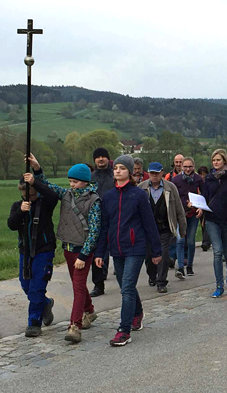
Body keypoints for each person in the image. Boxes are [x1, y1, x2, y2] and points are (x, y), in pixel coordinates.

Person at [25, 155, 101, 343]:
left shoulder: (94, 201)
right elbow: (47, 186)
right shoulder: (66, 195)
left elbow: (94, 230)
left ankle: (74, 326)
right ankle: (89, 311)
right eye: (70, 181)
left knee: (77, 288)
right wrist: (37, 170)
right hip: (67, 248)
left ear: (85, 182)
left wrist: (84, 255)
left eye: (75, 182)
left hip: (82, 251)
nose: (72, 184)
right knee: (79, 284)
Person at [95, 155, 162, 347]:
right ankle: (137, 313)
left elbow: (149, 224)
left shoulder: (139, 195)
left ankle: (123, 331)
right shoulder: (108, 196)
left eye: (122, 168)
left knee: (126, 289)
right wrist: (100, 253)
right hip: (117, 249)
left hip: (136, 247)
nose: (118, 171)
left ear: (130, 172)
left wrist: (156, 251)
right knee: (127, 287)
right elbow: (104, 227)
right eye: (115, 168)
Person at [8, 167, 58, 338]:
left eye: (32, 193)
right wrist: (21, 212)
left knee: (37, 287)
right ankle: (45, 304)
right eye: (26, 194)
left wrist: (35, 181)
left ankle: (34, 322)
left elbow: (53, 195)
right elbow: (11, 225)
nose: (29, 197)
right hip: (25, 251)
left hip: (44, 250)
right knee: (26, 285)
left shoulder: (45, 203)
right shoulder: (17, 206)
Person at [138, 162, 187, 293]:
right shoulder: (141, 188)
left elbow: (179, 209)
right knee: (148, 256)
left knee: (163, 255)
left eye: (156, 173)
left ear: (161, 173)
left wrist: (182, 229)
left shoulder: (170, 188)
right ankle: (152, 275)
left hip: (165, 226)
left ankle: (161, 281)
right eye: (151, 173)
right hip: (147, 229)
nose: (154, 176)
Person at [203, 149, 227, 298]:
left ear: (224, 161)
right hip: (212, 219)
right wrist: (199, 207)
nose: (215, 163)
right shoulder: (209, 178)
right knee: (217, 252)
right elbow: (205, 197)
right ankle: (219, 285)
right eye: (213, 160)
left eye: (218, 160)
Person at [171, 157, 205, 278]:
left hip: (193, 214)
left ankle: (189, 265)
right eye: (185, 166)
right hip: (180, 214)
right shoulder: (176, 180)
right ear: (181, 167)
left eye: (190, 166)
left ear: (193, 167)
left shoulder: (198, 179)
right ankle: (180, 267)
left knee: (190, 241)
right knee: (180, 240)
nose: (187, 169)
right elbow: (173, 197)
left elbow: (204, 194)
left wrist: (201, 207)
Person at [90, 147, 114, 297]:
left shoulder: (114, 175)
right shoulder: (91, 178)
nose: (100, 159)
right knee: (97, 252)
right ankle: (98, 284)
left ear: (107, 159)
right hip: (97, 218)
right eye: (97, 157)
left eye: (103, 157)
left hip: (114, 216)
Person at [197, 165, 212, 251]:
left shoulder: (209, 182)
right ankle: (205, 240)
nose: (202, 176)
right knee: (202, 224)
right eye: (201, 174)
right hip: (200, 205)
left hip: (208, 204)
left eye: (204, 174)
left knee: (206, 223)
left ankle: (206, 242)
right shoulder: (197, 182)